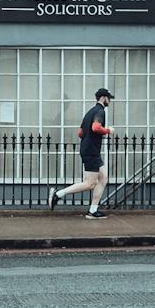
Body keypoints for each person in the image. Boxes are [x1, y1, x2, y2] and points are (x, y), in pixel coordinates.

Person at [51, 88, 115, 218]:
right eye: (109, 98)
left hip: (90, 150)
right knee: (89, 183)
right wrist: (108, 130)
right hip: (91, 151)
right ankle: (58, 194)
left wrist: (89, 138)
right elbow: (95, 127)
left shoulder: (89, 112)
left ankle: (93, 210)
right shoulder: (100, 111)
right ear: (103, 98)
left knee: (103, 178)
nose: (110, 101)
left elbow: (80, 132)